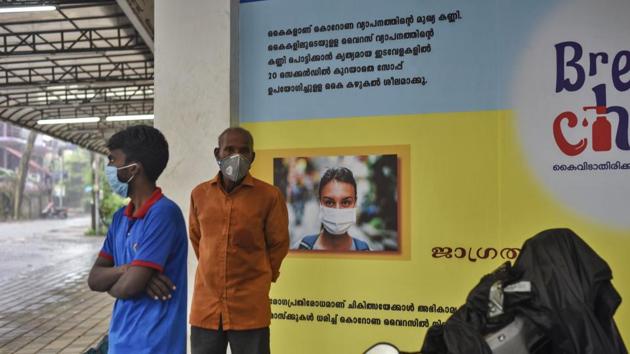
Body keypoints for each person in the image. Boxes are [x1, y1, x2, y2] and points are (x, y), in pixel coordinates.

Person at [87, 125, 187, 354]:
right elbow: (94, 279)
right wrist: (128, 269)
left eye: (113, 160)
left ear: (135, 169)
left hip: (156, 346)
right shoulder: (120, 218)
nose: (110, 167)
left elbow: (129, 288)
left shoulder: (163, 214)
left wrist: (128, 279)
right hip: (120, 342)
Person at [189, 127, 289, 354]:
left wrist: (260, 275)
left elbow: (278, 244)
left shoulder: (269, 196)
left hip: (250, 308)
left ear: (252, 157)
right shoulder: (199, 194)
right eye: (229, 149)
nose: (237, 156)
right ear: (217, 153)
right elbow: (198, 240)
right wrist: (212, 266)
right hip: (206, 308)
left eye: (244, 151)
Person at [298, 167, 370, 251]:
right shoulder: (300, 249)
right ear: (320, 203)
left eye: (345, 203)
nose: (337, 210)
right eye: (329, 202)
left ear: (355, 203)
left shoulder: (367, 254)